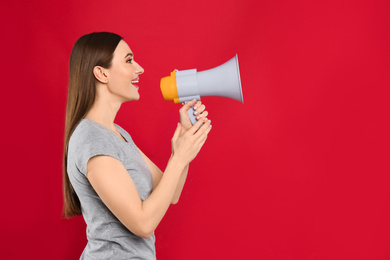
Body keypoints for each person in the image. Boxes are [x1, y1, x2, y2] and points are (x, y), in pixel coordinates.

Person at [63, 32, 212, 259]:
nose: (139, 69)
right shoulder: (91, 139)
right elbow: (143, 224)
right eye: (129, 60)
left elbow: (171, 193)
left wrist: (182, 148)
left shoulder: (117, 134)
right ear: (101, 73)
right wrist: (179, 158)